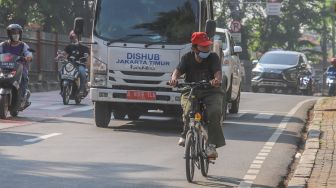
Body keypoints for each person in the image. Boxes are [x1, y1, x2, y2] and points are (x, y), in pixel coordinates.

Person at [169, 32, 226, 158]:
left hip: (211, 91)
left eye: (208, 46)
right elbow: (177, 71)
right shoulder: (187, 58)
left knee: (214, 112)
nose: (207, 49)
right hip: (191, 89)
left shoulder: (213, 57)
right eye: (203, 47)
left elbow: (218, 72)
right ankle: (185, 133)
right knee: (188, 111)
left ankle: (211, 145)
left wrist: (216, 80)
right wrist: (174, 79)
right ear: (194, 48)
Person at [0, 24, 33, 107]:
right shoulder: (3, 45)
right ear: (9, 34)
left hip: (19, 68)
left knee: (24, 78)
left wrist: (27, 57)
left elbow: (29, 54)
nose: (15, 35)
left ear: (20, 34)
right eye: (13, 33)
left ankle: (22, 97)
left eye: (17, 33)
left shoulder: (24, 45)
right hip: (4, 67)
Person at [64, 30, 90, 95]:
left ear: (78, 38)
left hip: (79, 65)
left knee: (82, 73)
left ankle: (81, 89)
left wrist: (86, 57)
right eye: (72, 37)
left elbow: (87, 56)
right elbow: (64, 54)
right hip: (70, 65)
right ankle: (62, 87)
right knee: (61, 71)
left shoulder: (84, 47)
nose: (73, 39)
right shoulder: (69, 46)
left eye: (75, 37)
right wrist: (60, 56)